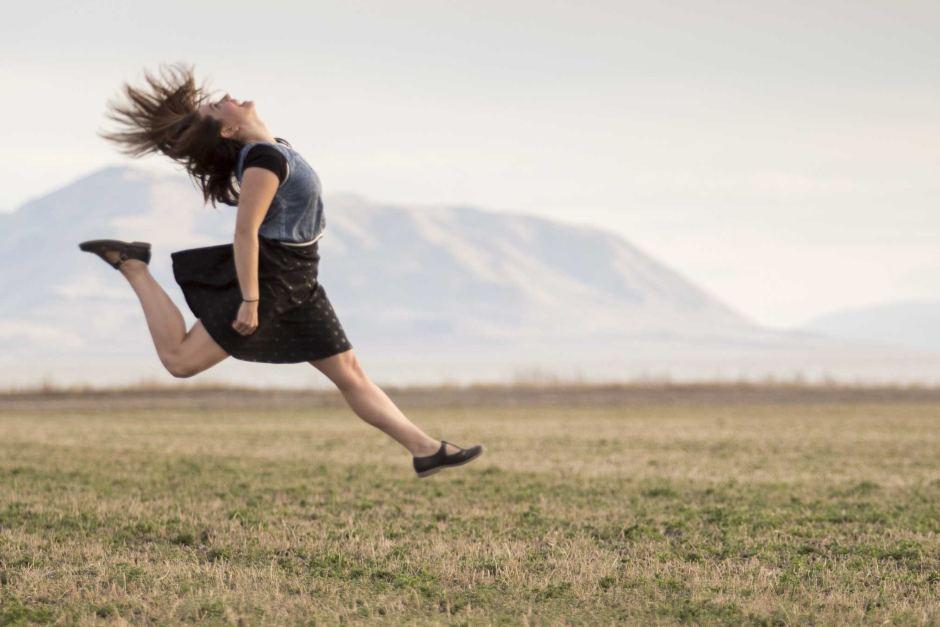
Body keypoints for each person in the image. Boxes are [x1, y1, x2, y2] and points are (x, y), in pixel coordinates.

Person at [79, 62, 483, 478]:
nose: (227, 98)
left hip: (299, 277)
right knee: (180, 361)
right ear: (228, 130)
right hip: (273, 279)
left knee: (349, 372)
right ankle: (133, 266)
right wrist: (251, 301)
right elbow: (245, 233)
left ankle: (426, 450)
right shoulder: (265, 160)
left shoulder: (274, 148)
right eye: (220, 107)